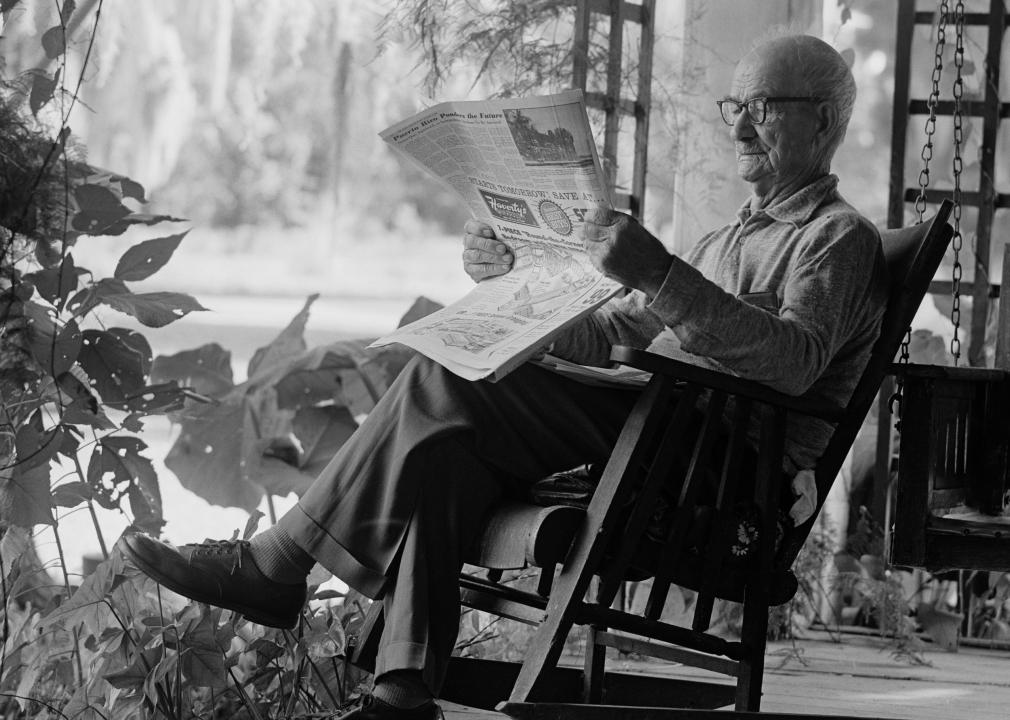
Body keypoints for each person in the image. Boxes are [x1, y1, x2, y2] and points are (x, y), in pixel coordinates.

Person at [123, 34, 888, 720]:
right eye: (734, 106)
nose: (740, 126)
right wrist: (516, 280)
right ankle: (403, 691)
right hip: (653, 424)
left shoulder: (837, 239)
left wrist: (659, 274)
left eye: (760, 106)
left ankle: (280, 562)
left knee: (441, 385)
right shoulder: (725, 239)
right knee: (447, 447)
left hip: (718, 463)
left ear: (821, 121)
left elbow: (793, 364)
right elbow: (610, 332)